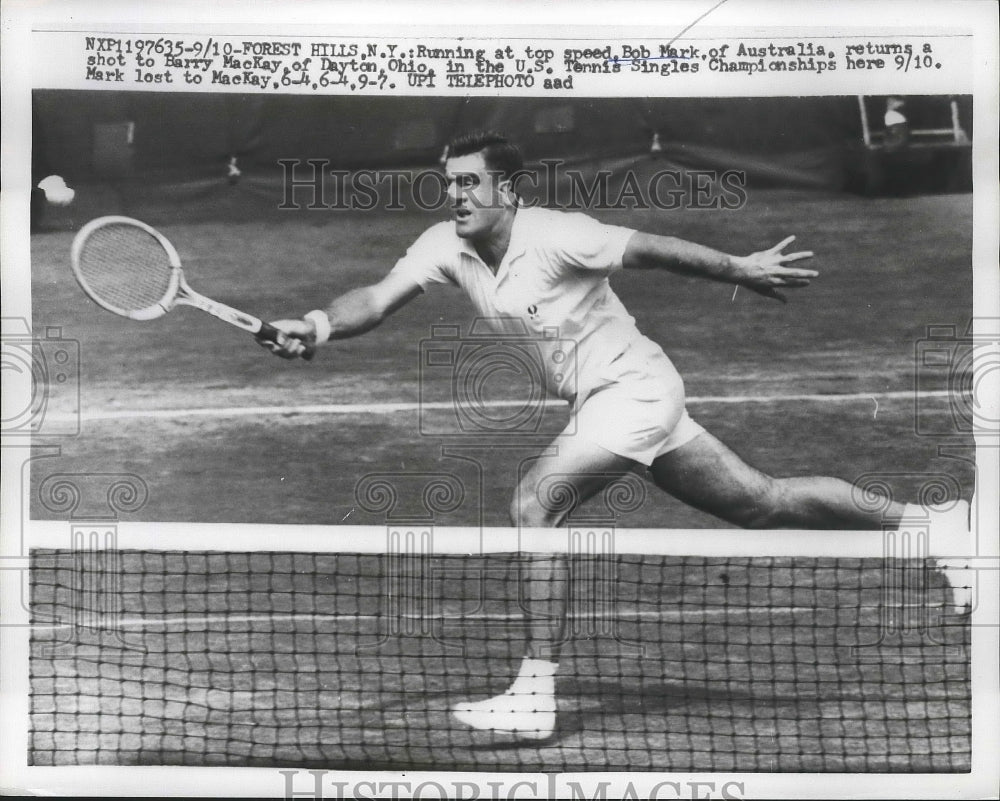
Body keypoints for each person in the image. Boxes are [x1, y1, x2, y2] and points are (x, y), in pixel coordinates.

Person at [259, 130, 971, 740]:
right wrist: (318, 324)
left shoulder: (562, 234)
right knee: (762, 501)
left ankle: (535, 692)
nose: (457, 197)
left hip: (632, 392)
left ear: (509, 191)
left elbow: (653, 247)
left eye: (472, 184)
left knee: (534, 506)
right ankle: (939, 523)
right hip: (614, 397)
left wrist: (740, 268)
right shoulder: (445, 244)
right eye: (450, 185)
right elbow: (378, 298)